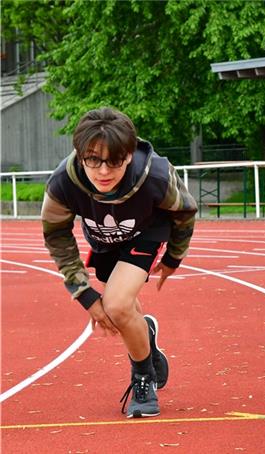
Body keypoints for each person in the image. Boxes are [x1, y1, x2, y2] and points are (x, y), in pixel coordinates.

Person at [41, 107, 197, 417]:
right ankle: (147, 341)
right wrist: (84, 294)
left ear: (128, 154)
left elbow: (184, 212)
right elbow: (56, 234)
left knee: (116, 305)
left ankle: (144, 379)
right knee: (122, 311)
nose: (103, 172)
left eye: (114, 161)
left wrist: (173, 257)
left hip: (146, 233)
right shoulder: (63, 182)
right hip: (104, 239)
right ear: (80, 155)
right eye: (93, 161)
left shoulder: (155, 175)